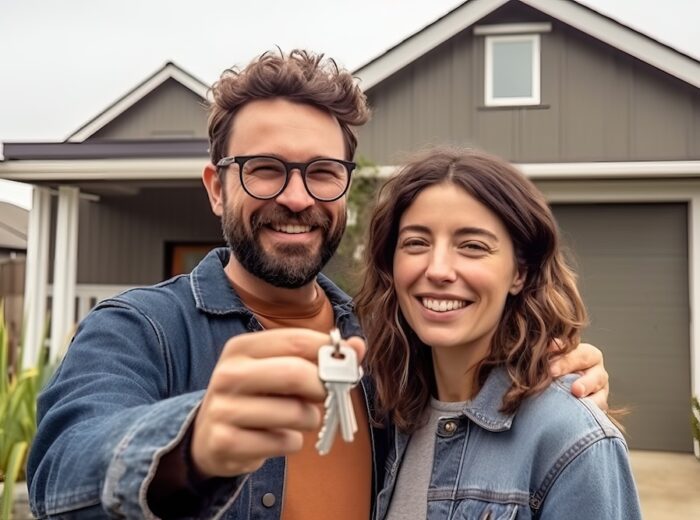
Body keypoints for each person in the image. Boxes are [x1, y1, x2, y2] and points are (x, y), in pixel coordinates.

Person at [28, 51, 610, 519]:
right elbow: (61, 466)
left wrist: (553, 379)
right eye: (265, 169)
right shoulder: (139, 329)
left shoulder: (390, 347)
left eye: (322, 173)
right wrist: (191, 448)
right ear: (215, 187)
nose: (297, 197)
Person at [355, 147, 641, 520]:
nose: (438, 269)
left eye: (472, 246)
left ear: (519, 273)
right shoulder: (384, 414)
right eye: (416, 242)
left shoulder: (571, 439)